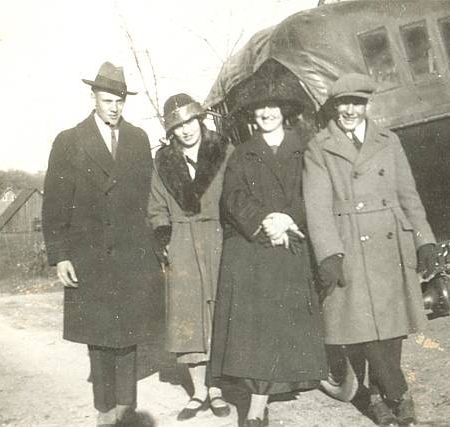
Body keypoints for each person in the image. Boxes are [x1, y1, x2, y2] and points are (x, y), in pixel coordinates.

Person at [303, 73, 437, 427]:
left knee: (391, 325)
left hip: (392, 237)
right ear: (334, 106)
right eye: (344, 103)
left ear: (366, 105)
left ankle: (378, 394)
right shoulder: (320, 147)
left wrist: (425, 239)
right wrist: (329, 253)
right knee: (365, 326)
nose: (350, 110)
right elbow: (316, 206)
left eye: (357, 103)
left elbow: (408, 193)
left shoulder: (388, 140)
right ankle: (397, 392)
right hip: (350, 240)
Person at [41, 62, 164, 426]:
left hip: (132, 255)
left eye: (120, 101)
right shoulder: (69, 141)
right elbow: (54, 204)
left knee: (129, 337)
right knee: (99, 339)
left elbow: (149, 197)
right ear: (92, 96)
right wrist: (60, 255)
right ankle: (104, 412)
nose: (114, 107)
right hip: (89, 257)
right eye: (108, 99)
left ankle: (125, 410)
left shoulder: (139, 139)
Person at [209, 95, 328, 427]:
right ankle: (256, 409)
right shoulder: (242, 153)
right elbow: (232, 197)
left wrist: (287, 220)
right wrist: (265, 221)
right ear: (253, 115)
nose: (266, 114)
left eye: (272, 108)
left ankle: (269, 394)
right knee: (260, 330)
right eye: (259, 109)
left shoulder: (304, 148)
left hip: (292, 241)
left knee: (283, 324)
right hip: (259, 245)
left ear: (283, 112)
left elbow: (315, 192)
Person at [148, 93, 232, 421]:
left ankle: (217, 388)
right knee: (189, 318)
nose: (186, 131)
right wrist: (163, 235)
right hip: (182, 243)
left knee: (218, 311)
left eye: (189, 122)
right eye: (178, 126)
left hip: (218, 239)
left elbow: (236, 194)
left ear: (200, 119)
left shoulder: (223, 152)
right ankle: (198, 392)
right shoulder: (163, 163)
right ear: (171, 131)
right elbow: (156, 207)